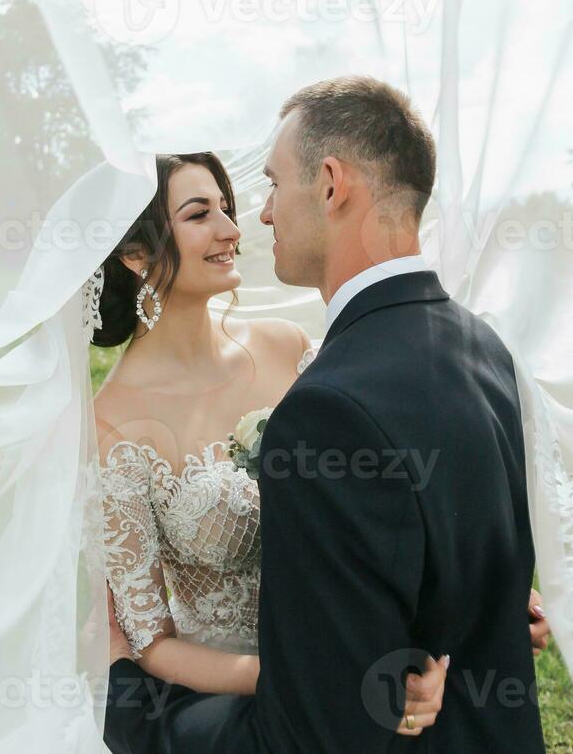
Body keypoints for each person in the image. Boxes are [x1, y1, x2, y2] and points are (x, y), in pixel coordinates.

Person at [96, 76, 546, 753]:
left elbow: (399, 493)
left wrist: (483, 612)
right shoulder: (478, 344)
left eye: (246, 197)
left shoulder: (300, 362)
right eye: (199, 214)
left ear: (331, 184)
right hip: (275, 691)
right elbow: (145, 636)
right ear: (136, 254)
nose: (244, 223)